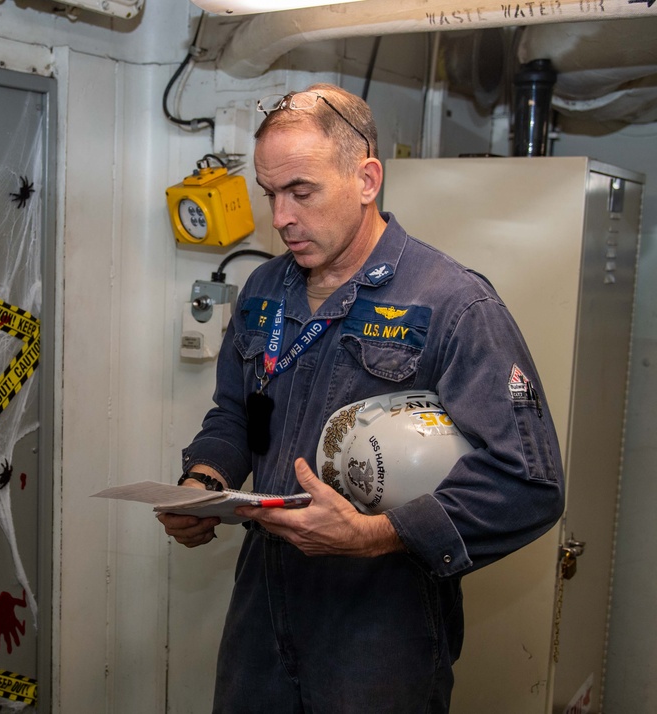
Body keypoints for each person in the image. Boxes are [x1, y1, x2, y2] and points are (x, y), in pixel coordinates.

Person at [158, 83, 565, 713]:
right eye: (271, 194)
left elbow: (529, 481)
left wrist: (374, 535)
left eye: (302, 191)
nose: (281, 218)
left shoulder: (452, 303)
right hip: (262, 610)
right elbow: (240, 413)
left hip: (382, 623)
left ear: (366, 178)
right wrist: (203, 482)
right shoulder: (265, 288)